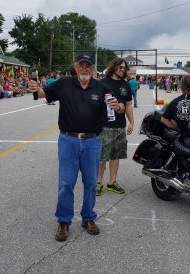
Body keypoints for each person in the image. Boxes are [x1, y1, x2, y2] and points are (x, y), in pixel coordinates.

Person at [27, 53, 124, 242]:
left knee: (90, 183)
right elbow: (42, 93)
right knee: (66, 183)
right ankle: (64, 220)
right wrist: (35, 88)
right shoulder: (64, 83)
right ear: (76, 67)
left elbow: (116, 108)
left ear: (93, 69)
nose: (85, 68)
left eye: (88, 65)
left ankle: (88, 218)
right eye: (81, 65)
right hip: (68, 141)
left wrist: (119, 106)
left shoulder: (102, 87)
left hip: (92, 141)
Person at [96, 57, 134, 196]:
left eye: (124, 68)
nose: (122, 70)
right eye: (120, 67)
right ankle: (98, 183)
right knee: (102, 157)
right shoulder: (102, 83)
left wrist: (131, 122)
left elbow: (129, 104)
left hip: (119, 126)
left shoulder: (126, 85)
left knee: (116, 155)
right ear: (114, 67)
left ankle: (112, 182)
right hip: (104, 126)